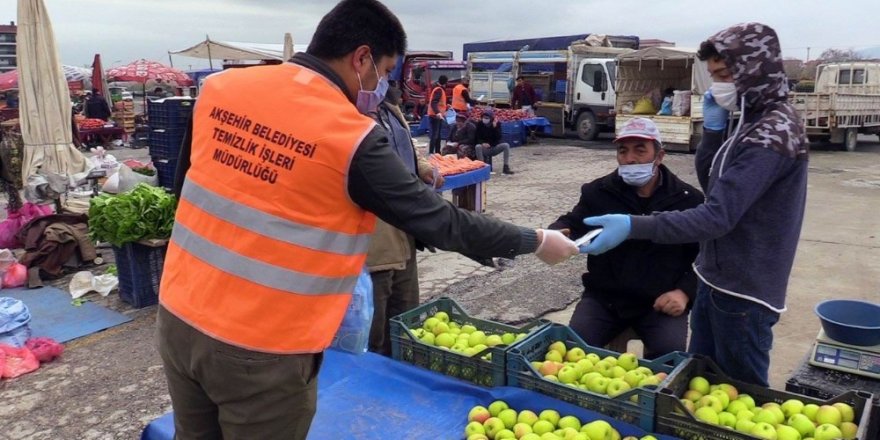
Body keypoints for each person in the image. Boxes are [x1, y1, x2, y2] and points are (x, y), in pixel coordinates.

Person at [161, 1, 580, 438]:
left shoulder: (223, 88)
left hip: (179, 316)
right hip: (261, 347)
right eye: (383, 71)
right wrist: (533, 240)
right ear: (361, 58)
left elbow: (185, 186)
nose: (382, 85)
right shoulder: (347, 134)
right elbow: (439, 220)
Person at [580, 23, 808, 386]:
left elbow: (717, 215)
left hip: (744, 291)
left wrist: (635, 225)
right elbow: (715, 185)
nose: (718, 84)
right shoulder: (748, 123)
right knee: (700, 386)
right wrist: (715, 132)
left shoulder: (773, 132)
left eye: (725, 75)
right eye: (714, 75)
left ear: (755, 71)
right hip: (714, 280)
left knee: (741, 396)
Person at [549, 118, 703, 359]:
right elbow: (574, 223)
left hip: (659, 302)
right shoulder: (599, 192)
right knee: (573, 350)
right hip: (605, 298)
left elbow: (705, 256)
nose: (630, 159)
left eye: (640, 150)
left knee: (670, 357)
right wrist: (555, 233)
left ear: (659, 156)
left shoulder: (688, 200)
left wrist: (685, 292)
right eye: (623, 151)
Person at [365, 82, 443, 356]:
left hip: (405, 234)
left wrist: (423, 168)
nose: (386, 78)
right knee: (372, 336)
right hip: (374, 248)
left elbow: (406, 149)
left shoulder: (390, 108)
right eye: (385, 70)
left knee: (406, 326)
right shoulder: (351, 115)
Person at [474, 109, 515, 175]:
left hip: (494, 147)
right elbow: (477, 137)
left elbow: (498, 138)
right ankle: (481, 168)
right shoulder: (480, 124)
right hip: (484, 148)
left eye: (487, 118)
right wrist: (482, 143)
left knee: (506, 145)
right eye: (484, 117)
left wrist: (494, 127)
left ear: (491, 118)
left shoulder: (497, 124)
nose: (485, 119)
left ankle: (506, 167)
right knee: (477, 146)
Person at [427, 74, 449, 155]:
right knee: (435, 135)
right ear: (445, 82)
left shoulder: (439, 89)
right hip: (435, 116)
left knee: (438, 135)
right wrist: (438, 113)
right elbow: (434, 102)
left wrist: (446, 107)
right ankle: (431, 153)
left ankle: (437, 152)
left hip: (437, 116)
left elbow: (439, 103)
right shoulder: (439, 90)